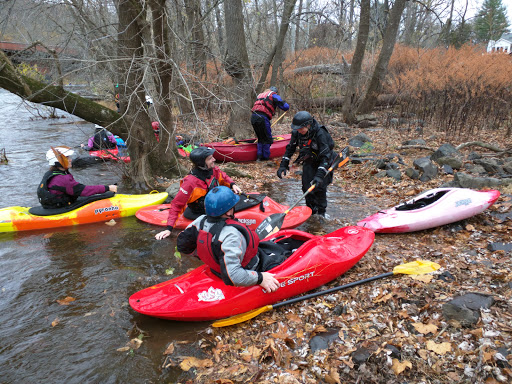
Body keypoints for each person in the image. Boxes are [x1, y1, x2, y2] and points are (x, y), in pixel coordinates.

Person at [177, 186, 286, 292]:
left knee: (266, 246)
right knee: (282, 257)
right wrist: (261, 278)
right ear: (228, 212)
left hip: (215, 269)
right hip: (250, 268)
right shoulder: (232, 234)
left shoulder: (200, 221)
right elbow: (233, 275)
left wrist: (203, 252)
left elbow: (182, 244)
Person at [155, 147, 242, 240]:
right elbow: (176, 204)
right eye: (210, 159)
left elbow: (223, 176)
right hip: (199, 212)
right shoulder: (190, 183)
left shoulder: (213, 170)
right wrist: (169, 228)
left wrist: (232, 184)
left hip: (215, 205)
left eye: (212, 157)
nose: (214, 159)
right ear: (202, 163)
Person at [277, 111, 336, 217]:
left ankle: (321, 214)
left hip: (324, 161)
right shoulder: (297, 133)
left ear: (308, 125)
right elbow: (290, 149)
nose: (299, 131)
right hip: (310, 159)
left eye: (301, 128)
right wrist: (283, 164)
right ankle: (311, 212)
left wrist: (319, 175)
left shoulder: (320, 133)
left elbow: (326, 156)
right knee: (306, 187)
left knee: (319, 187)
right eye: (297, 128)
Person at [37, 146, 118, 209]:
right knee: (95, 196)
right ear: (59, 162)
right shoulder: (62, 179)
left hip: (52, 205)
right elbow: (84, 190)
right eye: (67, 158)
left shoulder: (50, 173)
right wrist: (108, 188)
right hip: (59, 207)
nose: (70, 160)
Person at [251, 86, 289, 161]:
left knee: (261, 138)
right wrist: (287, 107)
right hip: (262, 118)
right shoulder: (273, 94)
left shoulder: (260, 95)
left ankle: (259, 157)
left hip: (253, 117)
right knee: (267, 139)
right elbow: (284, 105)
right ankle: (265, 158)